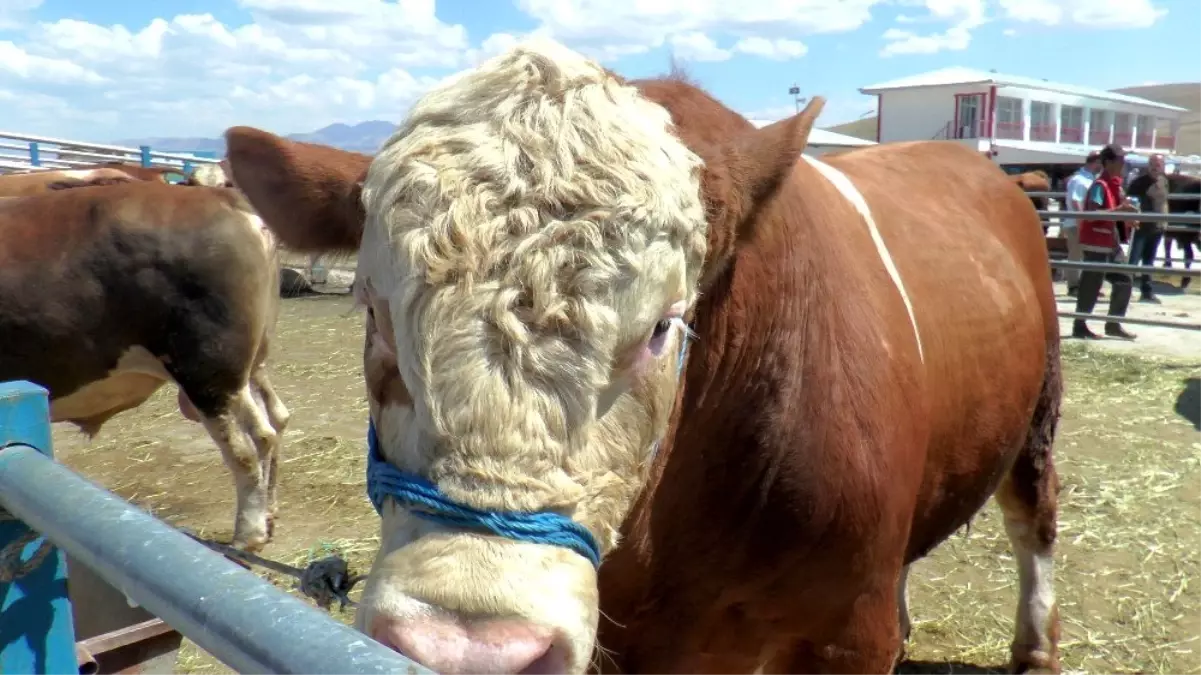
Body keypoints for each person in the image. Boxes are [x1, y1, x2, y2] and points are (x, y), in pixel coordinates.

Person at [1073, 144, 1140, 340]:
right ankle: (1080, 324)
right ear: (1108, 162)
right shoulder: (1099, 187)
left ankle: (1113, 323)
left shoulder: (1115, 186)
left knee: (1124, 279)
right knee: (1091, 284)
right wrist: (1119, 211)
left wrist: (1127, 220)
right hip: (1096, 243)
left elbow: (1115, 212)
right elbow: (1092, 214)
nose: (1123, 164)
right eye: (1120, 160)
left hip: (1111, 243)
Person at [1125, 153, 1170, 302]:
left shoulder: (1164, 181)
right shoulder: (1138, 183)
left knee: (1149, 260)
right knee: (1134, 259)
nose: (1154, 168)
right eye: (1152, 164)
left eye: (1158, 165)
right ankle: (1125, 289)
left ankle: (1147, 291)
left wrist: (1165, 221)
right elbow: (1130, 201)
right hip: (1141, 227)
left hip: (1157, 226)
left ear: (1163, 166)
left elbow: (1164, 202)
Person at [1063, 151, 1102, 296]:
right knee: (1076, 255)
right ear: (1095, 162)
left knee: (1084, 255)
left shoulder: (1089, 179)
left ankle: (1085, 286)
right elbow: (1076, 201)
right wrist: (1082, 221)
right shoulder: (1080, 180)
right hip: (1077, 223)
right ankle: (1073, 286)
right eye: (1100, 163)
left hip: (1082, 223)